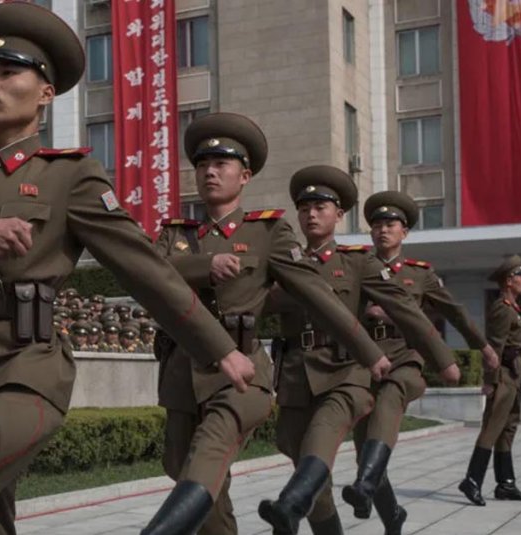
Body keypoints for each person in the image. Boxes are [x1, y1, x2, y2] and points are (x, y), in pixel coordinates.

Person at [0, 4, 254, 534]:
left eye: (9, 73)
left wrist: (220, 349)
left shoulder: (71, 175)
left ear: (45, 93)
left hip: (25, 368)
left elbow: (145, 269)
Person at [150, 114, 391, 535]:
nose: (210, 171)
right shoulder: (175, 234)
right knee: (183, 468)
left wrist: (368, 352)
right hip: (180, 373)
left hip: (241, 374)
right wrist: (207, 265)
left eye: (221, 164)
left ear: (244, 176)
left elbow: (315, 293)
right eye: (203, 163)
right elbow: (152, 273)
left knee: (206, 456)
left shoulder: (268, 231)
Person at [260, 166, 459, 534]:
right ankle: (308, 514)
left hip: (343, 372)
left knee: (319, 443)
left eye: (321, 206)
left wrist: (442, 359)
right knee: (302, 459)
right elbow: (255, 302)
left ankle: (289, 506)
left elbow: (403, 306)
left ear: (339, 214)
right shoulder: (284, 262)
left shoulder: (356, 261)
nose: (311, 214)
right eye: (304, 208)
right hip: (295, 375)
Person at [341, 191, 501, 530]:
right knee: (365, 451)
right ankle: (392, 514)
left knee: (387, 407)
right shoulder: (354, 267)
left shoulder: (421, 274)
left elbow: (454, 313)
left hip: (403, 358)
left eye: (390, 225)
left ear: (405, 233)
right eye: (376, 225)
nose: (382, 231)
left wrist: (483, 346)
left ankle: (365, 486)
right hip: (363, 361)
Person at [458, 255, 521, 505]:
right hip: (503, 377)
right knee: (491, 429)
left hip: (514, 375)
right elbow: (493, 348)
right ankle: (472, 480)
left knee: (507, 429)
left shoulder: (514, 309)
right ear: (509, 281)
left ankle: (505, 484)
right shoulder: (502, 308)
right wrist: (490, 381)